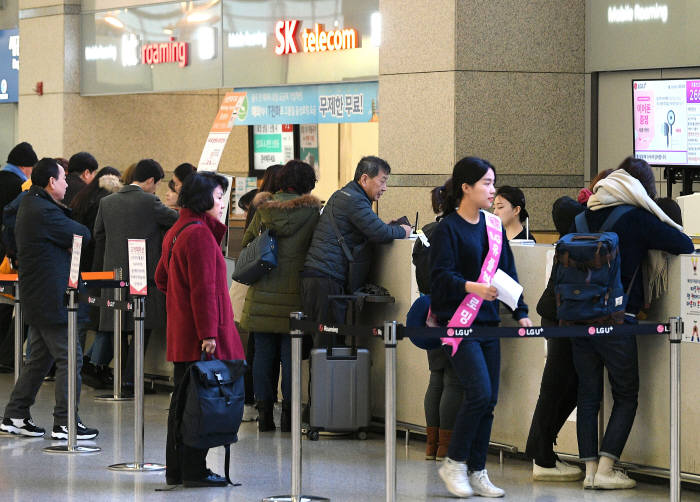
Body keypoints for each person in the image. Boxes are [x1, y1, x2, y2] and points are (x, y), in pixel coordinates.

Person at [572, 157, 693, 490]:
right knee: (626, 394)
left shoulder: (580, 218)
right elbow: (683, 244)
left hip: (576, 321)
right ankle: (607, 469)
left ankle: (589, 472)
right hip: (616, 320)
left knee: (588, 395)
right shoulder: (635, 218)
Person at [430, 156, 531, 498]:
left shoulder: (493, 226)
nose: (492, 190)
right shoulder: (446, 229)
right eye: (486, 183)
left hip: (489, 324)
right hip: (458, 324)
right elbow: (440, 277)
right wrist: (472, 287)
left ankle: (477, 470)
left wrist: (521, 311)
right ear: (465, 188)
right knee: (479, 393)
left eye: (493, 183)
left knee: (489, 401)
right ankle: (454, 463)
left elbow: (507, 273)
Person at [155, 172, 244, 488]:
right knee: (200, 405)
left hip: (183, 331)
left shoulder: (178, 230)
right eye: (219, 197)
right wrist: (208, 332)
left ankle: (178, 469)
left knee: (182, 404)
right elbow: (204, 290)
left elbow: (161, 279)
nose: (222, 204)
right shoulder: (200, 236)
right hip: (203, 335)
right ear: (203, 198)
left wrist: (181, 306)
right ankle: (194, 470)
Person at [0, 158, 98, 439]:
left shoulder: (29, 205)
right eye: (63, 179)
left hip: (37, 295)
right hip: (52, 297)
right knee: (71, 358)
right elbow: (82, 234)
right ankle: (65, 422)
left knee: (39, 361)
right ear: (51, 182)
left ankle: (16, 415)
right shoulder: (43, 209)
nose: (68, 184)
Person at [239, 160, 321, 432]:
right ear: (307, 184)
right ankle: (288, 417)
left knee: (262, 355)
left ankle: (264, 416)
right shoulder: (312, 213)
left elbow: (247, 244)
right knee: (291, 357)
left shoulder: (263, 207)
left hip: (262, 292)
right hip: (294, 296)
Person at [93, 159, 178, 394]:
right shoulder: (150, 202)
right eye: (157, 183)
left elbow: (98, 233)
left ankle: (119, 380)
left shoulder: (107, 202)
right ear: (151, 180)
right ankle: (131, 380)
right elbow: (178, 222)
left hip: (113, 277)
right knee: (142, 329)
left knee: (118, 329)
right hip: (144, 277)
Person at [301, 156, 411, 327]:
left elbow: (371, 227)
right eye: (382, 181)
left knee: (324, 339)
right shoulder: (355, 200)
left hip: (320, 276)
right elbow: (380, 233)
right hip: (326, 278)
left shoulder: (346, 195)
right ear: (365, 179)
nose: (385, 188)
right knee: (328, 341)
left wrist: (385, 226)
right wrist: (402, 230)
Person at [411, 179, 462, 461]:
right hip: (455, 311)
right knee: (454, 380)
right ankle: (446, 447)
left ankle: (432, 445)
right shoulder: (457, 232)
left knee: (437, 378)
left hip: (429, 311)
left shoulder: (425, 232)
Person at [69, 167, 123, 388]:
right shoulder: (109, 201)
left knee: (80, 319)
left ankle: (74, 366)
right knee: (103, 320)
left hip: (77, 263)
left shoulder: (83, 198)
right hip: (97, 265)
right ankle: (85, 366)